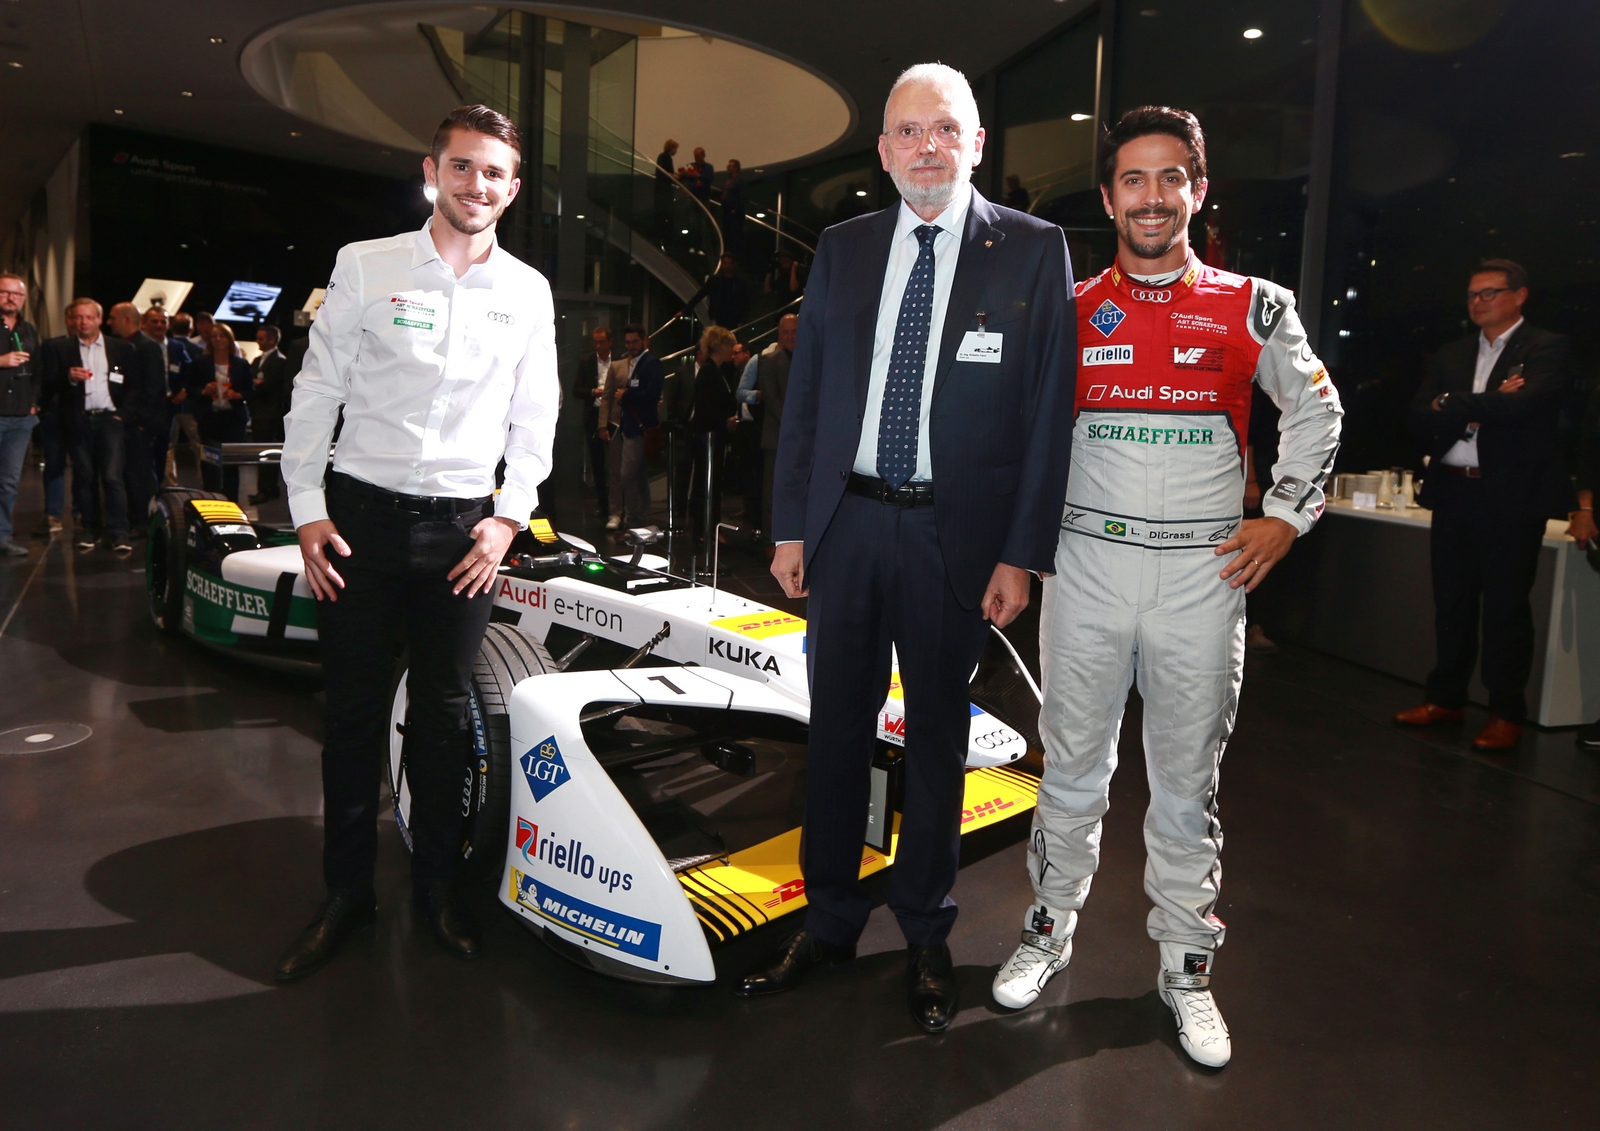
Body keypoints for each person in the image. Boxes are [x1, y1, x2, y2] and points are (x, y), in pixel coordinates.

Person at [989, 106, 1342, 1070]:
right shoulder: (1065, 309)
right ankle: (1048, 928)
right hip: (1086, 568)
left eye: (1170, 177)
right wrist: (1013, 552)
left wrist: (1286, 515)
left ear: (1198, 190)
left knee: (1187, 787)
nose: (1153, 196)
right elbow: (1019, 440)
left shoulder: (1254, 303)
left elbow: (1319, 412)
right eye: (1133, 180)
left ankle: (1187, 969)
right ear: (1108, 199)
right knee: (1071, 771)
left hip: (1202, 576)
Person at [740, 63, 1075, 1034]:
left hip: (951, 537)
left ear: (975, 144)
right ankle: (829, 919)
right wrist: (792, 525)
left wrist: (1020, 554)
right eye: (908, 132)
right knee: (836, 732)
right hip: (846, 527)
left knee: (934, 737)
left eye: (945, 129)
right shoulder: (843, 248)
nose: (927, 147)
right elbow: (806, 399)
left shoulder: (1032, 249)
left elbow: (1046, 415)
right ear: (883, 150)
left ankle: (926, 930)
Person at [274, 104, 557, 983]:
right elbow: (317, 391)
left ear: (513, 189)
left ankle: (438, 889)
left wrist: (508, 517)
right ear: (432, 172)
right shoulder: (367, 265)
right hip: (356, 527)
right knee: (352, 716)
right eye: (462, 166)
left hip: (464, 535)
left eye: (495, 172)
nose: (478, 184)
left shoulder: (528, 291)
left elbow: (536, 418)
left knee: (442, 720)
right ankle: (346, 893)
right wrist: (307, 508)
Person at [1395, 260, 1572, 751]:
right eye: (1473, 294)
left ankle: (1505, 712)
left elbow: (1529, 406)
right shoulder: (1452, 353)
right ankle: (1445, 698)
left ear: (1520, 295)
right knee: (1451, 602)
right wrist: (1487, 401)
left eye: (1490, 293)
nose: (1478, 302)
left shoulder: (1545, 347)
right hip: (1454, 491)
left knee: (1505, 607)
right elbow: (1416, 415)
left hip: (1511, 496)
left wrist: (1452, 404)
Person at [40, 298, 139, 554]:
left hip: (110, 420)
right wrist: (68, 378)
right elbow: (46, 385)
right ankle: (89, 529)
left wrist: (123, 415)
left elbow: (134, 385)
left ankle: (118, 531)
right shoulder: (59, 348)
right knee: (84, 477)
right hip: (78, 420)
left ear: (99, 319)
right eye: (78, 317)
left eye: (88, 317)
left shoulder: (122, 348)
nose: (82, 322)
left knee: (112, 476)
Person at [736, 312, 798, 545]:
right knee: (773, 491)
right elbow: (772, 400)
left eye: (794, 331)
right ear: (779, 334)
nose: (790, 336)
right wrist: (797, 427)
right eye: (786, 332)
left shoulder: (812, 358)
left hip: (806, 438)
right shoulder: (768, 361)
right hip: (778, 437)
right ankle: (772, 539)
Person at [107, 301, 169, 532]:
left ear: (125, 319)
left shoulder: (146, 347)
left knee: (140, 473)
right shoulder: (126, 345)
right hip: (129, 422)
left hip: (139, 424)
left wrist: (140, 421)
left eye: (112, 317)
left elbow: (153, 389)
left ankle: (145, 521)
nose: (109, 322)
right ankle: (136, 517)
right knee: (130, 472)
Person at [184, 322, 253, 501]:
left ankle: (232, 502)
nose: (218, 339)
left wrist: (238, 395)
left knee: (231, 464)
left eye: (222, 336)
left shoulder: (241, 364)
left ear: (229, 339)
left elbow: (250, 390)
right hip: (209, 417)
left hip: (234, 418)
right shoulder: (200, 362)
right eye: (214, 336)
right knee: (209, 462)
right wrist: (203, 391)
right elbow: (190, 387)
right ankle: (211, 499)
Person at [0, 271, 40, 556]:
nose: (11, 298)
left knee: (9, 481)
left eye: (16, 294)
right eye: (5, 292)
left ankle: (2, 536)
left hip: (20, 418)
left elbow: (38, 369)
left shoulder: (29, 330)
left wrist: (33, 403)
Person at [687, 325, 739, 540]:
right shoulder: (710, 372)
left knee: (709, 482)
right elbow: (707, 408)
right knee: (707, 483)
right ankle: (705, 529)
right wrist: (726, 421)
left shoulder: (716, 370)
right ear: (721, 347)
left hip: (711, 436)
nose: (733, 351)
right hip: (708, 437)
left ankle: (708, 528)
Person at [141, 306, 199, 488]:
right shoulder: (137, 346)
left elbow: (191, 372)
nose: (159, 325)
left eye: (163, 321)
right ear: (144, 323)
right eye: (155, 321)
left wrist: (185, 390)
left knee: (163, 448)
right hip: (142, 406)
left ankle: (160, 488)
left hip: (168, 405)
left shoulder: (176, 347)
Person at [612, 324, 661, 530]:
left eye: (635, 341)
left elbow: (652, 394)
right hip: (631, 425)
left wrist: (626, 395)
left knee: (628, 475)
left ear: (645, 340)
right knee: (638, 475)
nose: (631, 346)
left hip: (640, 427)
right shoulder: (636, 363)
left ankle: (633, 519)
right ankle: (640, 515)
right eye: (628, 343)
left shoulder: (651, 363)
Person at [573, 326, 616, 521]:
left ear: (610, 341)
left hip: (614, 416)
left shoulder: (619, 360)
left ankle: (618, 505)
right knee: (597, 463)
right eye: (595, 342)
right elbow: (576, 389)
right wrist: (593, 392)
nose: (598, 346)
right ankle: (603, 504)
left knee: (616, 463)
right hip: (594, 415)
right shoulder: (587, 361)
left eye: (602, 342)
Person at [249, 324, 290, 503]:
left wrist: (257, 384)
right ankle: (263, 488)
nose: (257, 341)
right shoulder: (257, 360)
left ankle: (268, 489)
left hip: (270, 413)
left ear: (272, 340)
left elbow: (269, 385)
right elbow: (251, 382)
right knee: (261, 451)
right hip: (258, 411)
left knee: (267, 452)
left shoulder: (280, 361)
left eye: (261, 338)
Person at [658, 347, 697, 531]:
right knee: (682, 470)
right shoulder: (683, 372)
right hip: (684, 427)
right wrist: (675, 421)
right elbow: (672, 399)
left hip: (703, 427)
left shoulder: (713, 372)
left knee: (701, 471)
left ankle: (695, 506)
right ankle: (679, 508)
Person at [706, 252, 750, 330]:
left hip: (734, 319)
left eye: (730, 263)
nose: (727, 266)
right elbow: (701, 294)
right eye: (725, 263)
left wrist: (742, 320)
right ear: (721, 264)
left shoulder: (739, 282)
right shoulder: (714, 280)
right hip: (718, 318)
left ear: (733, 265)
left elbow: (745, 301)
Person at [721, 159, 747, 262]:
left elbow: (743, 196)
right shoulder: (728, 181)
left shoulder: (740, 181)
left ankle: (736, 259)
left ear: (736, 168)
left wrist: (736, 209)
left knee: (735, 237)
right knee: (727, 236)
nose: (728, 167)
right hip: (726, 213)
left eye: (731, 166)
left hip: (734, 214)